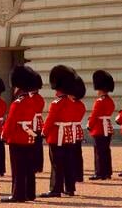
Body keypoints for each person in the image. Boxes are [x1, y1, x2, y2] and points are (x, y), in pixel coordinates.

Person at [0, 65, 43, 204]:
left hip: (17, 137)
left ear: (18, 86)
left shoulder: (17, 103)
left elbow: (11, 122)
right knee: (29, 167)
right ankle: (30, 193)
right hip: (29, 136)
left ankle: (18, 194)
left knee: (18, 168)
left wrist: (4, 135)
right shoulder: (31, 100)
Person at [40, 66, 85, 198]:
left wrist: (44, 132)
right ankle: (70, 188)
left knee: (57, 164)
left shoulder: (57, 103)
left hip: (57, 136)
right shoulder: (76, 103)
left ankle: (55, 189)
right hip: (69, 136)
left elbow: (50, 120)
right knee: (68, 163)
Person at [88, 70, 116, 180]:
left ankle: (99, 172)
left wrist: (90, 125)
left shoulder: (100, 101)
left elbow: (95, 115)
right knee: (106, 150)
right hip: (107, 127)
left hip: (99, 128)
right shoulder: (110, 100)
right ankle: (107, 172)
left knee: (99, 151)